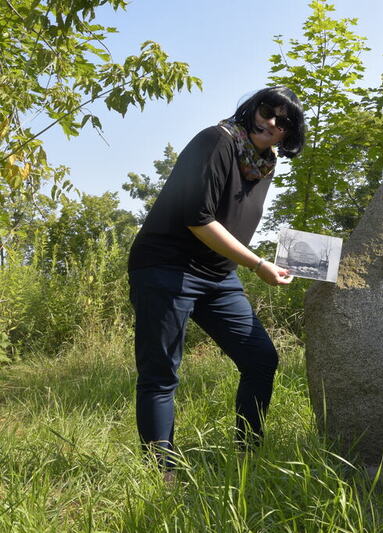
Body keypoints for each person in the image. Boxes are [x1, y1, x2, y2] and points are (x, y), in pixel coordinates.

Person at [127, 86, 305, 468]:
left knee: (261, 360)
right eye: (266, 110)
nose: (270, 122)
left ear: (289, 134)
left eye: (282, 121)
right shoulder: (216, 140)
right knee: (161, 374)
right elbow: (199, 218)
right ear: (252, 108)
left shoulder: (264, 164)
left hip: (218, 275)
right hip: (165, 267)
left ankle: (247, 457)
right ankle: (163, 473)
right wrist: (258, 265)